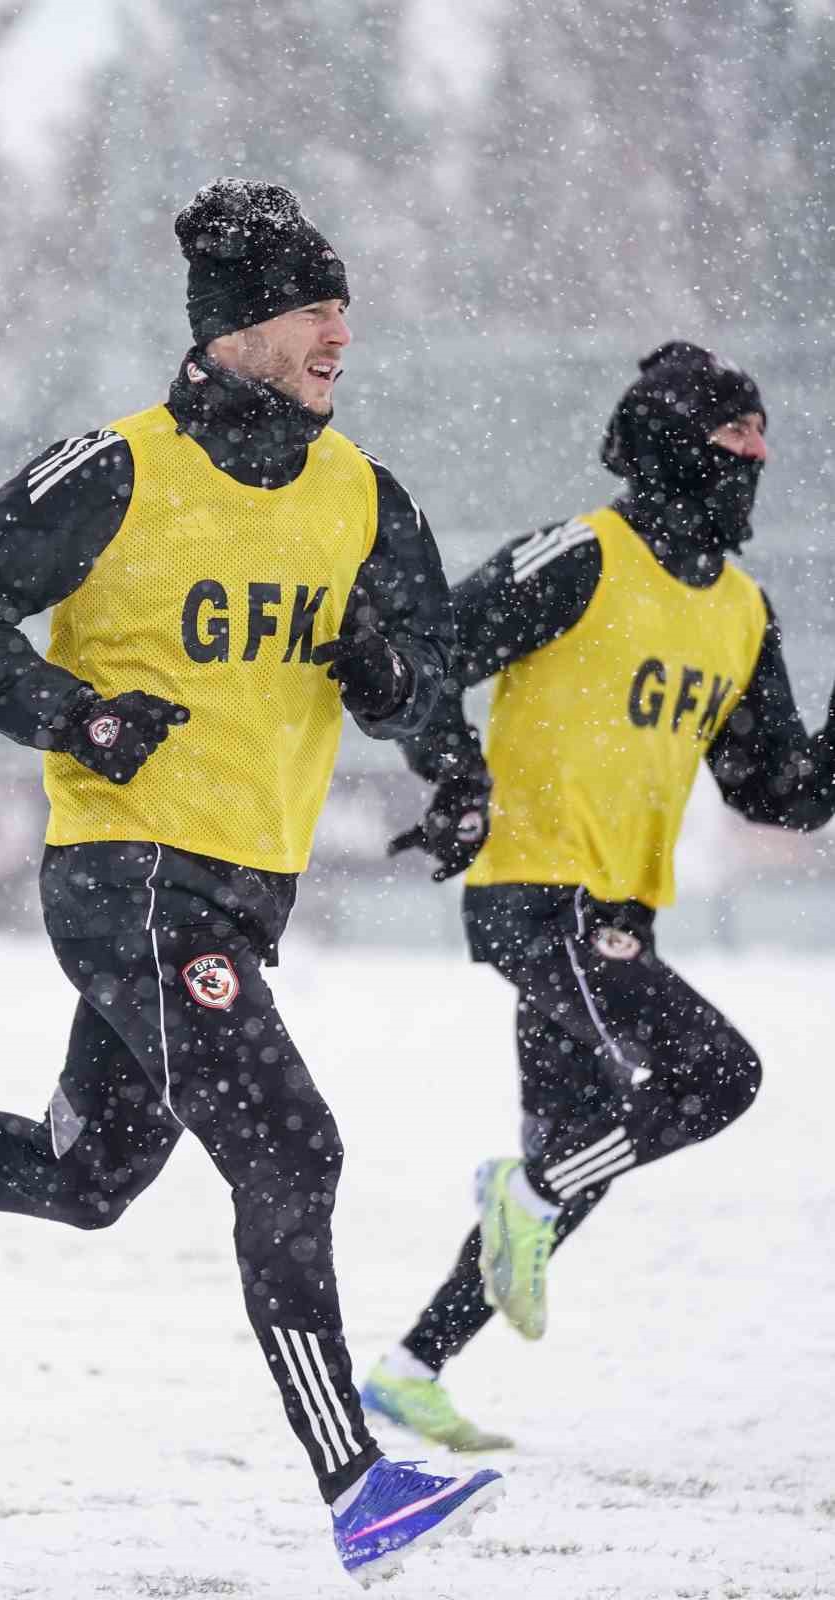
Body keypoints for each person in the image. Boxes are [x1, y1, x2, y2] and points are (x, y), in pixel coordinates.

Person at [0, 178, 503, 1585]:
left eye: (342, 305)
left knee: (83, 1177)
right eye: (311, 306)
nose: (338, 331)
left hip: (247, 889)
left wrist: (437, 744)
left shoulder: (369, 495)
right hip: (127, 880)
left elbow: (424, 677)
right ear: (235, 328)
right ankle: (355, 1489)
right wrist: (75, 716)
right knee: (293, 1150)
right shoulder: (116, 470)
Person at [358, 342, 835, 1453]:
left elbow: (783, 794)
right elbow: (425, 654)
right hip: (536, 894)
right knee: (716, 1080)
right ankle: (519, 1194)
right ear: (672, 445)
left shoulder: (744, 612)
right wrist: (456, 778)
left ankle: (411, 1365)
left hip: (620, 915)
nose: (755, 459)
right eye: (733, 440)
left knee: (586, 1149)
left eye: (764, 441)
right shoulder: (580, 554)